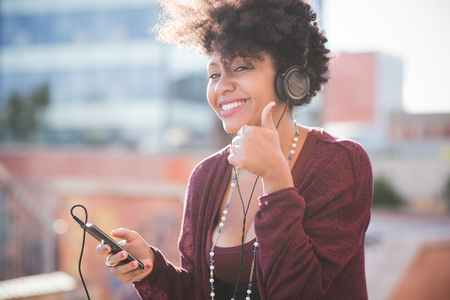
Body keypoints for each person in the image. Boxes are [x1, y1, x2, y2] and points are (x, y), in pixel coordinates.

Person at [96, 0, 373, 299]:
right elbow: (203, 290)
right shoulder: (206, 175)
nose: (221, 87)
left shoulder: (342, 163)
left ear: (290, 79)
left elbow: (297, 291)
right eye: (214, 74)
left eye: (240, 67)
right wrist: (153, 270)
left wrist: (276, 177)